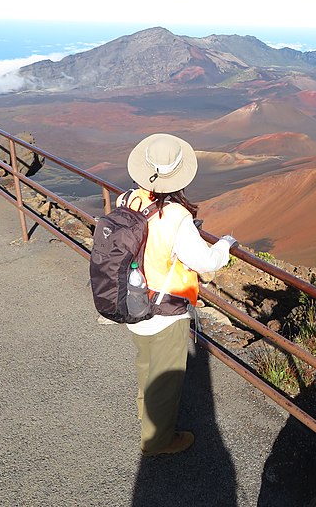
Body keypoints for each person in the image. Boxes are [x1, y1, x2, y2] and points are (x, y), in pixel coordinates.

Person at [120, 133, 236, 456]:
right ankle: (158, 441)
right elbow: (206, 260)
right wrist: (224, 245)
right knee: (167, 379)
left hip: (133, 302)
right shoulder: (176, 218)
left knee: (145, 366)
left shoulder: (127, 200)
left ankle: (147, 420)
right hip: (165, 312)